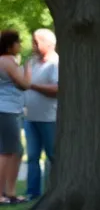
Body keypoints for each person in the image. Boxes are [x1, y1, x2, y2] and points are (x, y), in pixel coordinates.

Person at [22, 28, 58, 200]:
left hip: (49, 118)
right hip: (30, 118)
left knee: (53, 155)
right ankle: (33, 192)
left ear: (48, 43)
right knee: (32, 157)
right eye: (33, 42)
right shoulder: (32, 63)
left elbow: (57, 89)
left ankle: (53, 191)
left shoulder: (56, 63)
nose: (33, 45)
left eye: (37, 42)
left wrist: (32, 86)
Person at [0, 29, 32, 204]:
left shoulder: (7, 61)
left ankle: (9, 191)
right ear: (9, 45)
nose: (20, 45)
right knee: (8, 151)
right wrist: (27, 69)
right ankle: (5, 193)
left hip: (10, 110)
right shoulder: (6, 61)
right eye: (17, 42)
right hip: (7, 111)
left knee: (12, 151)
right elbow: (25, 84)